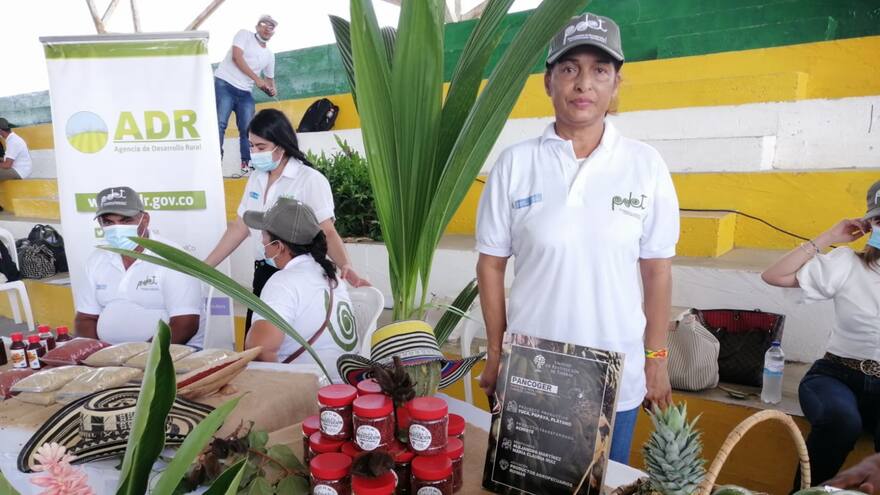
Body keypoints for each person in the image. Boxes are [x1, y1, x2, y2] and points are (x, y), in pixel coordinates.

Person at [474, 13, 680, 464]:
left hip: (614, 375)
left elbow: (658, 270)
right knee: (526, 485)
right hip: (531, 371)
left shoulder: (645, 165)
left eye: (599, 70)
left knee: (606, 483)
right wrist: (496, 352)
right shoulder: (515, 164)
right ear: (549, 82)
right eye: (569, 69)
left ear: (616, 84)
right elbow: (490, 263)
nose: (583, 83)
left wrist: (656, 358)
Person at [761, 179, 880, 487]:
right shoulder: (846, 264)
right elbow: (774, 275)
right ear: (870, 225)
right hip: (837, 375)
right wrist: (829, 236)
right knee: (841, 423)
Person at [205, 109, 368, 332]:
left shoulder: (309, 179)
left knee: (281, 347)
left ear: (280, 146)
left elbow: (327, 231)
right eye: (251, 146)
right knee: (255, 349)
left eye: (260, 147)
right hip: (263, 272)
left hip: (296, 276)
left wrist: (346, 265)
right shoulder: (256, 178)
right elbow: (240, 226)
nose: (254, 152)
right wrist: (205, 267)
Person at [74, 186, 204, 347]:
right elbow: (85, 318)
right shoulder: (97, 259)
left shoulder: (173, 258)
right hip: (108, 358)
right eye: (108, 222)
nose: (116, 228)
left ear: (145, 219)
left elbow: (185, 324)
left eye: (126, 220)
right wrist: (94, 354)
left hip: (169, 354)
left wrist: (141, 358)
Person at [243, 198, 356, 381]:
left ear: (279, 246)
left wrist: (283, 389)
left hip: (310, 392)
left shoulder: (283, 282)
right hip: (343, 384)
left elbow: (259, 349)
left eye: (264, 235)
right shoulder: (330, 275)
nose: (261, 241)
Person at [214, 14, 278, 171]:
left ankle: (247, 163)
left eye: (271, 26)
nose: (267, 28)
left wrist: (271, 89)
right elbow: (237, 57)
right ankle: (215, 160)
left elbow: (269, 80)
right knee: (220, 124)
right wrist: (257, 79)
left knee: (248, 128)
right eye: (264, 24)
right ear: (257, 26)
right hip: (225, 84)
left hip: (245, 92)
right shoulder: (244, 35)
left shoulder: (270, 55)